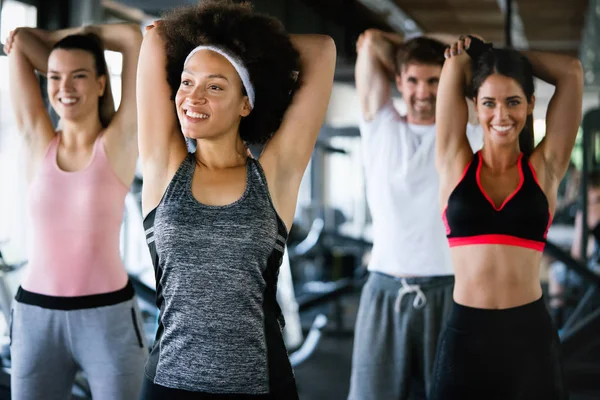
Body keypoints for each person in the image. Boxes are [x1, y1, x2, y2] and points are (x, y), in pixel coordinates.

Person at [136, 1, 336, 398]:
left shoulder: (274, 175)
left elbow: (323, 50)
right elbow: (156, 41)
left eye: (215, 86)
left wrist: (250, 49)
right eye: (188, 81)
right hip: (168, 384)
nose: (193, 97)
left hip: (260, 385)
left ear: (246, 103)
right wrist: (220, 46)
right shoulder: (165, 169)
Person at [431, 35, 583, 399]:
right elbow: (454, 66)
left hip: (529, 340)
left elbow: (571, 72)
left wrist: (497, 54)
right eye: (489, 103)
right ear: (474, 106)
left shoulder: (544, 169)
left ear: (531, 104)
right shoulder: (455, 163)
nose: (501, 115)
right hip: (464, 336)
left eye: (513, 102)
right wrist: (472, 56)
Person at [4, 22, 145, 399]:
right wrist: (53, 46)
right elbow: (18, 43)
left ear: (101, 83)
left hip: (108, 317)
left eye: (78, 76)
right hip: (36, 317)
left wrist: (55, 40)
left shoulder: (119, 141)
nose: (64, 88)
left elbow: (133, 39)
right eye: (54, 76)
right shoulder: (38, 142)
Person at [349, 29, 482, 399]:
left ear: (448, 81)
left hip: (449, 290)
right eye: (412, 80)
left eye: (433, 80)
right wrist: (409, 42)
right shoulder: (380, 124)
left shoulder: (466, 130)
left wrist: (445, 54)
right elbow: (371, 41)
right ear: (398, 80)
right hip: (384, 289)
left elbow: (477, 47)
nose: (422, 92)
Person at [548, 170, 600, 327]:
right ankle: (559, 325)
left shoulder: (588, 213)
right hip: (592, 266)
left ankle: (559, 326)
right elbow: (579, 253)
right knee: (556, 271)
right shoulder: (585, 213)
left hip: (594, 272)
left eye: (597, 199)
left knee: (557, 272)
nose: (595, 205)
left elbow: (578, 255)